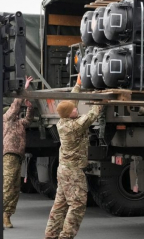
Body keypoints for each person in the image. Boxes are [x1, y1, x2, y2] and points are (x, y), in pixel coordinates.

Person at [44, 75, 105, 239]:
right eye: (73, 110)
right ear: (68, 114)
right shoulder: (75, 126)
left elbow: (72, 103)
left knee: (60, 205)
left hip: (63, 170)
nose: (76, 109)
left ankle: (51, 235)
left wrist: (77, 86)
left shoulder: (62, 122)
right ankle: (66, 236)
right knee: (77, 205)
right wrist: (99, 98)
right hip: (73, 172)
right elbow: (92, 115)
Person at [3, 76, 34, 228]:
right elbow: (15, 106)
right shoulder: (6, 119)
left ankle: (7, 215)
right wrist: (24, 89)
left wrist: (29, 107)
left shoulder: (19, 123)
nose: (15, 113)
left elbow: (28, 120)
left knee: (15, 188)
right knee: (8, 185)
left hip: (17, 157)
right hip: (9, 155)